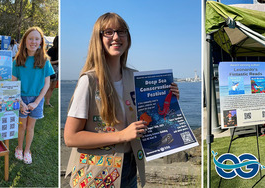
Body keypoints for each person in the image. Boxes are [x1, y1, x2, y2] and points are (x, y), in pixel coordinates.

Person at [63, 13, 179, 188]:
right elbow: (70, 137)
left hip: (130, 167)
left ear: (128, 37)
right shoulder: (88, 81)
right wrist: (121, 135)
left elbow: (149, 121)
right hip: (95, 173)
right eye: (108, 32)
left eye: (121, 31)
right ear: (98, 38)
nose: (116, 37)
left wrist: (169, 101)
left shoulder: (135, 77)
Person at [12, 27, 55, 165]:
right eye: (30, 38)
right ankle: (19, 148)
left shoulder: (45, 60)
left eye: (37, 39)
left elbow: (47, 84)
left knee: (31, 127)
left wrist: (36, 102)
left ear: (41, 42)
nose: (33, 42)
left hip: (37, 99)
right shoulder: (17, 60)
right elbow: (13, 84)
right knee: (21, 126)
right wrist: (21, 102)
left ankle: (27, 150)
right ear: (25, 41)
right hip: (21, 99)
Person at [44, 36, 59, 107]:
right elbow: (47, 62)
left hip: (57, 70)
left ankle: (47, 102)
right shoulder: (51, 50)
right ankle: (42, 101)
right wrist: (57, 61)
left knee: (52, 87)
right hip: (51, 69)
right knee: (47, 86)